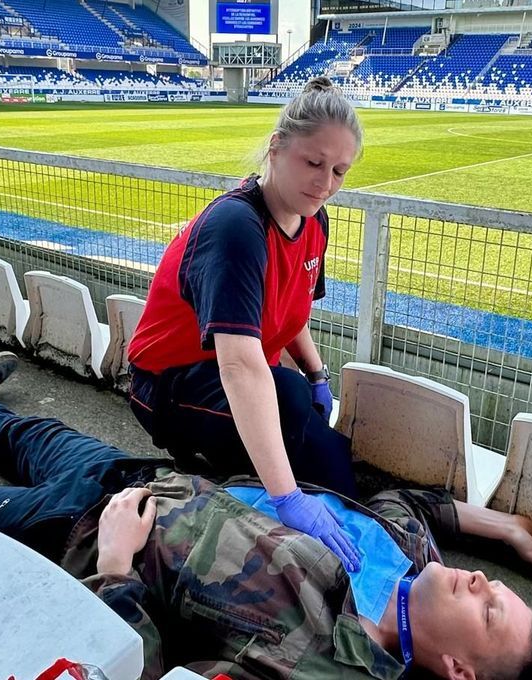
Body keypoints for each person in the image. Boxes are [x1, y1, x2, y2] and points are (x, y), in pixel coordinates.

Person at [0, 354, 532, 680]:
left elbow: (149, 670)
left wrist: (117, 568)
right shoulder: (410, 553)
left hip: (85, 533)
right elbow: (419, 504)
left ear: (458, 671)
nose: (479, 581)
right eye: (494, 585)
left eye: (488, 610)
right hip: (151, 480)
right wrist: (507, 527)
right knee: (40, 437)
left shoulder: (321, 666)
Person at [126, 77, 364, 570]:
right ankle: (209, 474)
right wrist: (287, 497)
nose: (325, 183)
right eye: (314, 163)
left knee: (339, 475)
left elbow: (292, 310)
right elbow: (238, 366)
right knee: (289, 404)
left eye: (340, 171)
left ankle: (257, 473)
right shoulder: (236, 226)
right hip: (167, 385)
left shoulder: (313, 221)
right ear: (276, 148)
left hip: (239, 379)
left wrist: (318, 376)